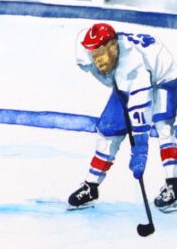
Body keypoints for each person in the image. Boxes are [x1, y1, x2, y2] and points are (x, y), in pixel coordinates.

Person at [67, 23, 177, 211]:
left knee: (163, 126)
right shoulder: (85, 48)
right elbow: (92, 59)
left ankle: (173, 185)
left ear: (113, 46)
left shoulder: (132, 65)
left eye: (101, 55)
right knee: (108, 129)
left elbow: (140, 113)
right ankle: (91, 186)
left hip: (164, 78)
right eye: (94, 55)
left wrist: (139, 152)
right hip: (124, 81)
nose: (97, 61)